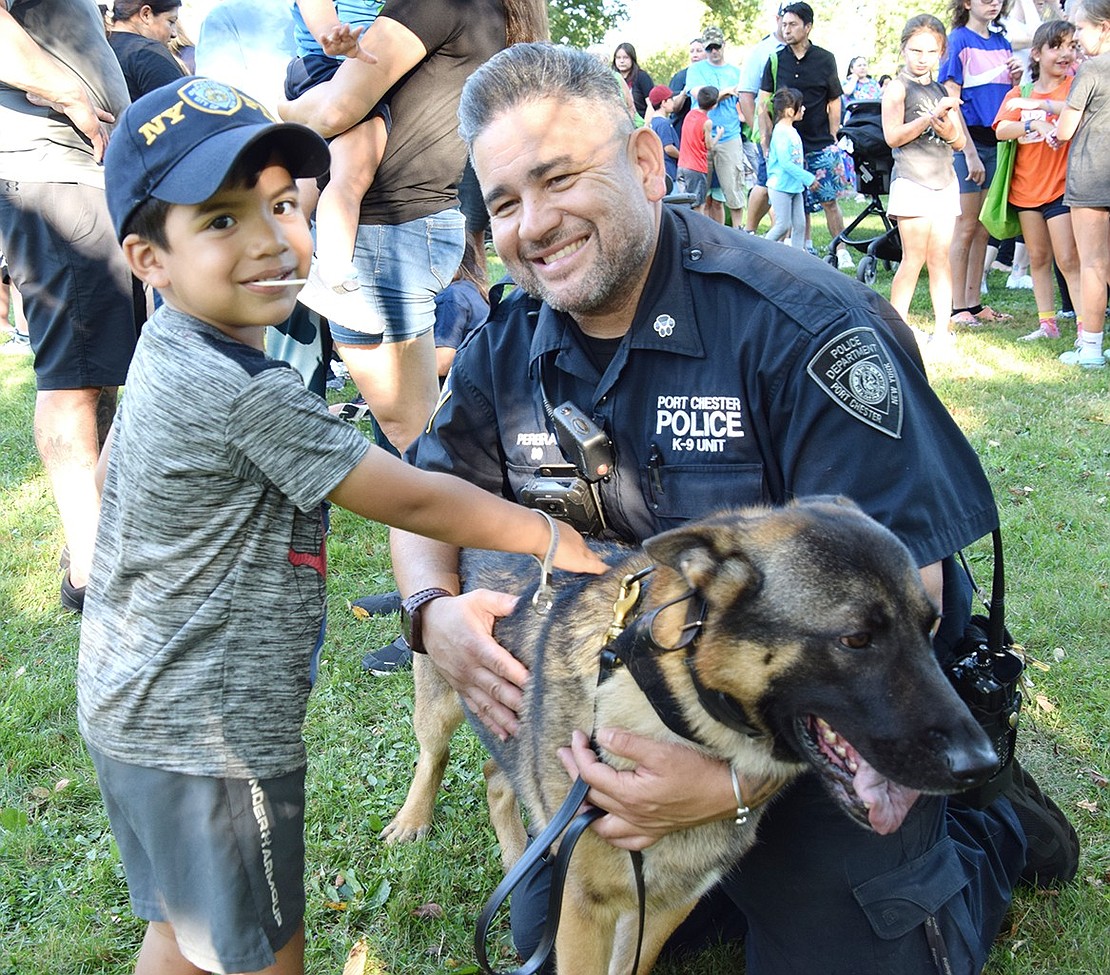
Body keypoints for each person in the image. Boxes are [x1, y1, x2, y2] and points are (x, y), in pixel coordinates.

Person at [391, 42, 1077, 975]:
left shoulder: (802, 326)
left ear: (644, 162)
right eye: (505, 202)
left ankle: (986, 830)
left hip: (837, 702)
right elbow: (422, 500)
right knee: (560, 945)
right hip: (653, 706)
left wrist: (726, 784)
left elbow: (896, 591)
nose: (534, 224)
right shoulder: (505, 347)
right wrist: (431, 614)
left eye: (559, 179)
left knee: (848, 954)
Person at [83, 76, 604, 975]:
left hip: (135, 713)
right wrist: (550, 539)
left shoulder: (171, 349)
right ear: (148, 258)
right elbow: (409, 496)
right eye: (219, 220)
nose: (268, 239)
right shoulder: (237, 392)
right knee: (264, 952)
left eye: (282, 205)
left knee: (186, 929)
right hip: (211, 737)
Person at [280, 0, 550, 674]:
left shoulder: (435, 2)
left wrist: (237, 111)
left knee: (418, 452)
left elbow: (332, 111)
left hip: (387, 240)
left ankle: (447, 608)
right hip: (411, 229)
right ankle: (424, 588)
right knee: (421, 436)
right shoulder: (481, 10)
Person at [0, 0, 142, 612]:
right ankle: (89, 568)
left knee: (101, 373)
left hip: (79, 173)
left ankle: (103, 546)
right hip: (50, 169)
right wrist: (70, 96)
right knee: (75, 380)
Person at [285, 2, 389, 331]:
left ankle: (285, 257)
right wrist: (334, 38)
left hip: (330, 67)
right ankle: (336, 277)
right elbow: (321, 19)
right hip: (332, 68)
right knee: (352, 172)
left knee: (311, 180)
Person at [993, 18, 1082, 342]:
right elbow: (1002, 129)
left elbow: (1081, 113)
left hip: (1061, 188)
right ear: (1036, 53)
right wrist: (1034, 126)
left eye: (1071, 47)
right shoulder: (1021, 92)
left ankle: (1087, 327)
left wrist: (1045, 112)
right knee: (1039, 258)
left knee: (1069, 259)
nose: (1065, 54)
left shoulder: (1074, 87)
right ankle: (1048, 324)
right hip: (1025, 190)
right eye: (1056, 47)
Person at [882, 14, 967, 346]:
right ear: (903, 49)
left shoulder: (942, 88)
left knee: (940, 258)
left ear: (941, 52)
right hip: (912, 180)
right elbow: (892, 136)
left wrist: (946, 126)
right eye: (916, 50)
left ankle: (943, 331)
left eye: (930, 52)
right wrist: (928, 120)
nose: (922, 58)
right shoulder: (896, 88)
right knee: (913, 257)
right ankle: (896, 331)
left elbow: (958, 141)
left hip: (944, 180)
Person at [940, 0, 1023, 327]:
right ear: (966, 3)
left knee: (984, 228)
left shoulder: (1002, 42)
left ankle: (973, 303)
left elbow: (1008, 98)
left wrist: (1016, 77)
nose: (994, 3)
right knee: (965, 226)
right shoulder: (958, 40)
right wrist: (969, 152)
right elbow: (952, 100)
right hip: (969, 142)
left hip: (998, 141)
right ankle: (955, 306)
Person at [758, 2, 854, 267]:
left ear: (808, 27)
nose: (786, 29)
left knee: (828, 199)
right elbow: (763, 102)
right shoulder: (776, 59)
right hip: (787, 143)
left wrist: (834, 132)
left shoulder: (825, 59)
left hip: (819, 141)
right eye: (784, 24)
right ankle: (805, 249)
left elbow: (834, 100)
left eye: (792, 24)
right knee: (796, 199)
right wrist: (766, 138)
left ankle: (841, 249)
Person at [1054, 0, 1110, 368]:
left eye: (1082, 28)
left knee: (1093, 264)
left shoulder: (1091, 68)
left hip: (1092, 175)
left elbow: (1066, 129)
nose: (1076, 36)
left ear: (1104, 26)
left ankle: (1089, 347)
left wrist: (1049, 127)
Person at [685, 26, 747, 228]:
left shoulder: (736, 72)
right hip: (700, 140)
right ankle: (700, 235)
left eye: (717, 47)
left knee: (733, 190)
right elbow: (701, 96)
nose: (713, 51)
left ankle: (740, 234)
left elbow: (740, 100)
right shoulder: (695, 70)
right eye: (709, 48)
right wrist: (728, 91)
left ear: (724, 45)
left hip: (729, 136)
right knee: (699, 196)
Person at [739, 5, 786, 233]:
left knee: (788, 185)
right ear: (777, 18)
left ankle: (791, 238)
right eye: (785, 20)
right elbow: (746, 94)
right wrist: (758, 130)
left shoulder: (806, 52)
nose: (788, 26)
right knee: (767, 183)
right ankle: (749, 231)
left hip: (795, 130)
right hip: (768, 129)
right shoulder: (762, 51)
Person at [764, 86, 819, 245]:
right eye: (800, 106)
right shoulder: (781, 132)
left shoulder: (791, 130)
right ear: (789, 111)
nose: (803, 108)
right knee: (782, 226)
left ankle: (797, 257)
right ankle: (760, 250)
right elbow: (785, 163)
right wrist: (808, 178)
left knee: (800, 225)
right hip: (780, 187)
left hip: (795, 187)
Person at [108, 0, 186, 102]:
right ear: (146, 14)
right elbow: (181, 110)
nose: (174, 33)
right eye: (170, 21)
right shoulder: (150, 53)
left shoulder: (101, 48)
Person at [676, 86, 722, 214]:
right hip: (696, 168)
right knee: (698, 206)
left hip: (682, 165)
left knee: (683, 203)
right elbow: (709, 146)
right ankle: (698, 233)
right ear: (714, 105)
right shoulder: (707, 122)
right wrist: (718, 135)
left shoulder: (690, 114)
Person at [667, 35, 706, 142]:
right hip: (683, 131)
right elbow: (671, 107)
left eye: (699, 51)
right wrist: (684, 93)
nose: (695, 55)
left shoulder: (711, 74)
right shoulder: (681, 76)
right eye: (692, 51)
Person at [646, 84, 680, 185]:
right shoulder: (663, 123)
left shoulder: (653, 122)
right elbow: (668, 148)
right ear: (663, 102)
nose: (673, 102)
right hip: (668, 169)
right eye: (671, 99)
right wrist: (682, 157)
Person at [612, 41, 653, 119]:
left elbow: (651, 105)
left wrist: (646, 126)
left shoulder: (642, 77)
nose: (621, 61)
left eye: (625, 57)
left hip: (640, 123)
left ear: (632, 59)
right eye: (618, 58)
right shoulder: (610, 78)